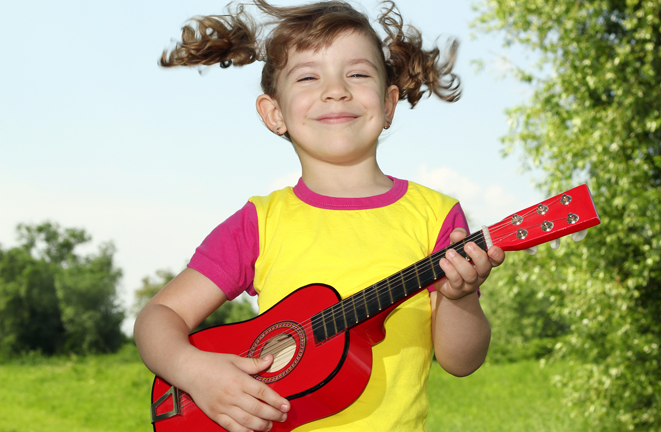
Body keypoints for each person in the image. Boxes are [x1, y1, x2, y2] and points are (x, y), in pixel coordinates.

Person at [133, 1, 506, 431]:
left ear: (388, 104)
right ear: (275, 114)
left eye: (358, 74)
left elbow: (462, 362)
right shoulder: (260, 222)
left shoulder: (435, 216)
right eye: (309, 76)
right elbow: (157, 319)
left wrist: (459, 298)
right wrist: (195, 372)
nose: (336, 90)